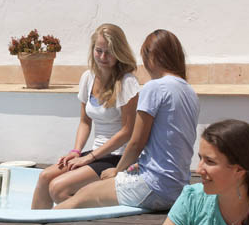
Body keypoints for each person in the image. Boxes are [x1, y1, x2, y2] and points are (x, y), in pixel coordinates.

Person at [56, 29, 199, 211]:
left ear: (151, 57)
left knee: (80, 196)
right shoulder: (190, 91)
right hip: (178, 186)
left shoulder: (154, 88)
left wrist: (117, 172)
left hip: (154, 186)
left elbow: (136, 143)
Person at [31, 23, 140, 209]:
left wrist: (89, 158)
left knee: (58, 188)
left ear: (119, 52)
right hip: (96, 154)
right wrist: (76, 151)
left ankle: (88, 214)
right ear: (92, 49)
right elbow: (84, 122)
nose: (103, 57)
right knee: (44, 177)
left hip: (117, 156)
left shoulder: (127, 82)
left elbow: (127, 131)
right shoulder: (87, 78)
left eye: (109, 52)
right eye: (99, 51)